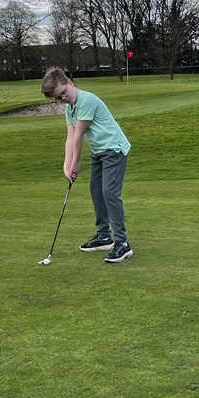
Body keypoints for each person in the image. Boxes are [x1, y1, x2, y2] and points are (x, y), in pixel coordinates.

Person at [41, 67, 133, 263]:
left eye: (64, 92)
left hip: (114, 149)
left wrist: (75, 163)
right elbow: (69, 137)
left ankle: (122, 243)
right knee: (96, 192)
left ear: (69, 82)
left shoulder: (86, 100)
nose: (63, 98)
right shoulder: (70, 108)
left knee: (109, 193)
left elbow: (78, 136)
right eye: (59, 97)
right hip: (99, 152)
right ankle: (104, 237)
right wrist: (67, 166)